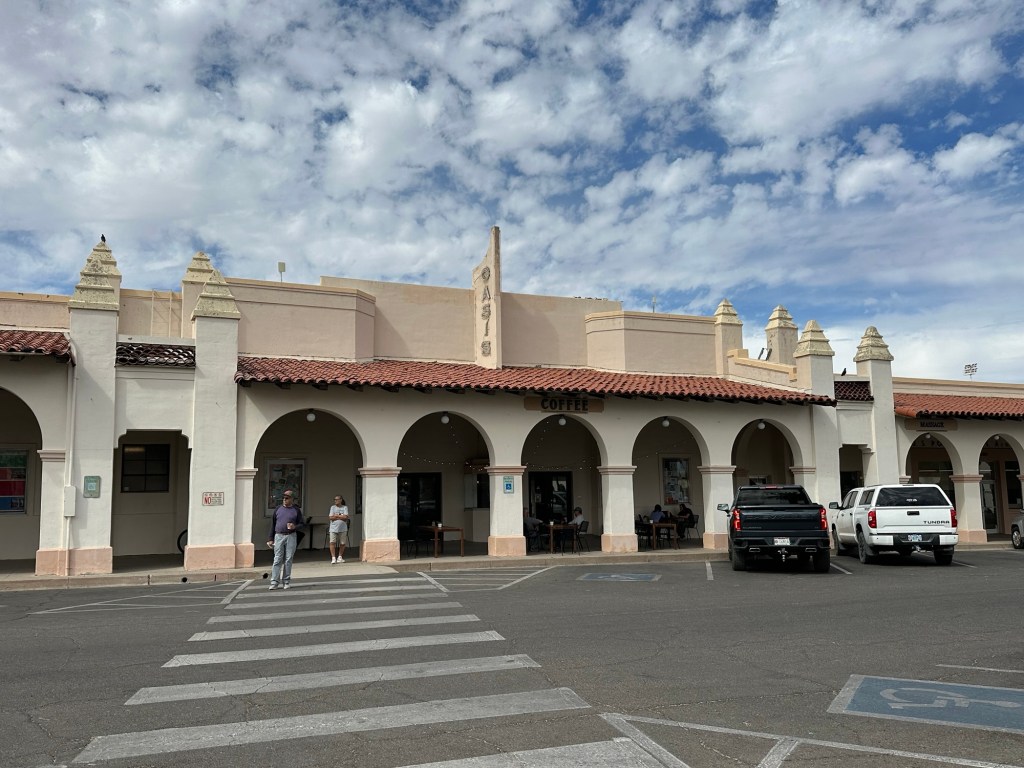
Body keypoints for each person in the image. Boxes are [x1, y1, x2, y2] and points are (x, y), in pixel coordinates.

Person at [266, 489, 305, 590]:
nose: (284, 500)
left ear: (292, 499)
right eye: (283, 498)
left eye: (287, 498)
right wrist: (270, 538)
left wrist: (294, 526)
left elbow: (302, 524)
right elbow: (273, 524)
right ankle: (274, 582)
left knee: (288, 559)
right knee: (277, 559)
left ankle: (286, 581)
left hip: (291, 535)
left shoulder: (296, 510)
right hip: (278, 535)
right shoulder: (278, 509)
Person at [328, 495, 350, 564]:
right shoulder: (332, 507)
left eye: (337, 499)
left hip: (343, 528)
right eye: (335, 499)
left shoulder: (345, 507)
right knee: (332, 542)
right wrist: (341, 516)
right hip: (333, 528)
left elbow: (346, 517)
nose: (335, 501)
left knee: (342, 543)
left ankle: (340, 557)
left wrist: (336, 516)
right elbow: (331, 517)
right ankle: (333, 558)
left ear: (341, 500)